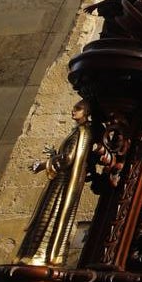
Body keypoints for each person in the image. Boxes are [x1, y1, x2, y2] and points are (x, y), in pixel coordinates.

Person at [18, 99, 93, 267]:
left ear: (86, 113)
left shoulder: (83, 133)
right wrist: (54, 154)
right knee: (46, 215)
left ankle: (43, 255)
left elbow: (68, 159)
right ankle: (35, 255)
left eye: (78, 109)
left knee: (52, 215)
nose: (73, 111)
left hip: (64, 184)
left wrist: (45, 163)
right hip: (60, 181)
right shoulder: (78, 132)